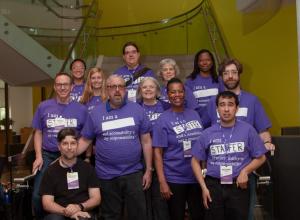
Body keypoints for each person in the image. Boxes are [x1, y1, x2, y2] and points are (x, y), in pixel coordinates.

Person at [203, 58, 275, 220]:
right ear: (221, 76)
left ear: (239, 75)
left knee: (245, 214)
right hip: (217, 173)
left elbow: (263, 130)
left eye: (234, 72)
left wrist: (267, 142)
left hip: (244, 170)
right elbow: (203, 129)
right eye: (226, 73)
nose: (230, 76)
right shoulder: (213, 103)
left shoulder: (252, 100)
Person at [77, 75, 153, 220]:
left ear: (125, 90)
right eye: (113, 87)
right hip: (106, 175)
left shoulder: (137, 110)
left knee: (138, 215)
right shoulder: (96, 113)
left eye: (121, 87)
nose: (117, 91)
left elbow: (146, 141)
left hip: (133, 173)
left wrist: (148, 170)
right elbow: (85, 140)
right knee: (109, 216)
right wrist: (66, 154)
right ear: (107, 89)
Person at [191, 91, 267, 220]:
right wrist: (203, 187)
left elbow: (261, 157)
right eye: (222, 105)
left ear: (236, 108)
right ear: (217, 109)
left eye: (230, 105)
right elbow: (194, 161)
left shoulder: (248, 130)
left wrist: (245, 171)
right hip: (213, 186)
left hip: (238, 186)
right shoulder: (207, 133)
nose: (226, 109)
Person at [31, 72, 88, 219]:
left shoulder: (81, 109)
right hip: (48, 156)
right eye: (59, 84)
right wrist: (38, 156)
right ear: (55, 87)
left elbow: (87, 137)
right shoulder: (43, 107)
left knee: (71, 195)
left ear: (72, 87)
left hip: (72, 157)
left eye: (66, 84)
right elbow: (38, 132)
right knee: (38, 196)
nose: (62, 87)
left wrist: (73, 154)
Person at [152, 78, 204, 220]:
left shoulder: (194, 114)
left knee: (199, 215)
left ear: (184, 93)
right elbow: (157, 153)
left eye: (180, 91)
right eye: (173, 92)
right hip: (175, 179)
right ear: (167, 95)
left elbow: (202, 145)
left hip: (196, 177)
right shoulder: (163, 120)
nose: (177, 95)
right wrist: (162, 182)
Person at [40, 128, 101, 220]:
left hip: (83, 210)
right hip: (60, 212)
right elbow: (47, 203)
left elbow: (96, 198)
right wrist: (68, 212)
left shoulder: (88, 168)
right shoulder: (50, 171)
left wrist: (79, 207)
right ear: (59, 146)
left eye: (73, 143)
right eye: (65, 143)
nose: (69, 147)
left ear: (77, 145)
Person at [136, 77, 168, 220]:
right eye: (144, 87)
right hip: (141, 157)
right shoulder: (134, 109)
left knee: (161, 195)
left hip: (164, 155)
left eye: (151, 87)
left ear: (157, 90)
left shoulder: (167, 107)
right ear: (140, 91)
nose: (148, 90)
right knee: (144, 194)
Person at [80, 67, 107, 164]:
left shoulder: (109, 99)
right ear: (90, 80)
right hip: (87, 142)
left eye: (99, 78)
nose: (96, 80)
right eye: (93, 78)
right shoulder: (84, 100)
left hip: (104, 141)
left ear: (103, 80)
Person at [185, 49, 223, 116]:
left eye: (208, 60)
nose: (205, 63)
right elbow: (189, 105)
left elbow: (223, 101)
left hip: (216, 119)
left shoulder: (219, 80)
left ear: (212, 62)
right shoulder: (190, 81)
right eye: (201, 60)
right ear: (197, 63)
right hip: (199, 119)